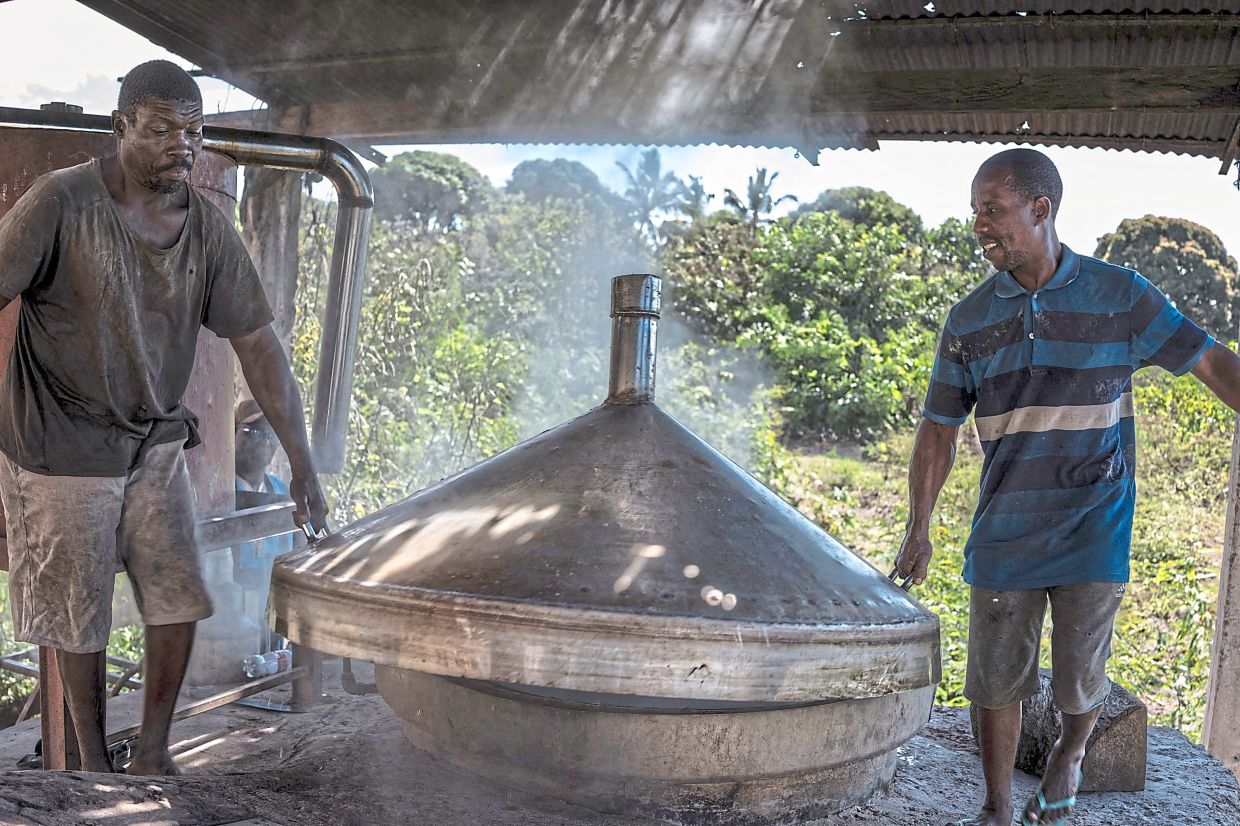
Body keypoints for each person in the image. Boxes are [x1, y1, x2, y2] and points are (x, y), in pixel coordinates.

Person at [895, 147, 1240, 826]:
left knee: (1082, 681)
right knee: (994, 681)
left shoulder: (1121, 295)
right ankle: (997, 808)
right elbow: (937, 428)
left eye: (992, 210)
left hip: (1094, 522)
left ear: (1040, 208)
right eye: (975, 212)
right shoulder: (967, 320)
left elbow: (1207, 360)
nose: (979, 225)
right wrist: (918, 527)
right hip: (1004, 530)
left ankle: (1072, 752)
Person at [0, 60, 327, 776]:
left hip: (151, 438)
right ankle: (89, 765)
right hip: (57, 441)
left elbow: (261, 348)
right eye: (162, 130)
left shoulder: (205, 230)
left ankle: (151, 754)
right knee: (77, 609)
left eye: (194, 130)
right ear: (122, 128)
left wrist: (300, 462)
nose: (183, 145)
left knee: (178, 591)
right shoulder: (62, 202)